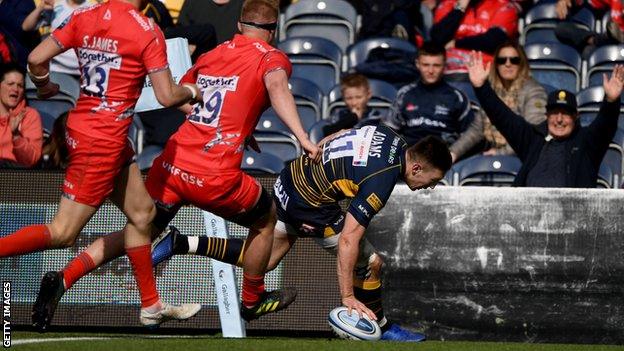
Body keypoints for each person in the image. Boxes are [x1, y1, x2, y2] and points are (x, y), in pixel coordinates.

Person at [30, 0, 320, 330]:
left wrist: (223, 123)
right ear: (273, 30)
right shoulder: (272, 57)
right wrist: (303, 138)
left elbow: (184, 98)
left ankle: (63, 278)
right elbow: (277, 87)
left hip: (173, 165)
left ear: (239, 26)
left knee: (137, 230)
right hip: (215, 174)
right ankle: (252, 300)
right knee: (266, 220)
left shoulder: (211, 56)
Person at [0, 0, 204, 331]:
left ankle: (151, 306)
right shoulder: (146, 30)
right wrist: (193, 90)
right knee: (63, 233)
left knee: (143, 215)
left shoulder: (84, 16)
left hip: (89, 127)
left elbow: (36, 58)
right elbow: (167, 97)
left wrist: (44, 85)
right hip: (103, 139)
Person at [152, 127, 452, 341]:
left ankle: (180, 241)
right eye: (432, 179)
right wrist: (347, 295)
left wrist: (324, 143)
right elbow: (349, 238)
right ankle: (383, 328)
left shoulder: (390, 135)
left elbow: (347, 131)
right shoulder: (382, 178)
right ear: (415, 168)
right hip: (310, 204)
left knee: (265, 260)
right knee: (371, 261)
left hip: (292, 177)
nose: (431, 186)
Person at [467, 50, 624, 187]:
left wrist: (611, 101)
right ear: (546, 116)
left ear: (576, 117)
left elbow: (605, 126)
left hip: (571, 217)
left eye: (566, 114)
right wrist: (481, 87)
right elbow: (503, 117)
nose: (559, 119)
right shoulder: (532, 139)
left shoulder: (587, 143)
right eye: (554, 113)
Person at [384, 42, 482, 162]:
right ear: (417, 64)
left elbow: (470, 136)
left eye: (436, 65)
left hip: (444, 161)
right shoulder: (404, 94)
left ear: (444, 66)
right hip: (408, 159)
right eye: (426, 65)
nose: (431, 70)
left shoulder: (457, 98)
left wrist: (452, 155)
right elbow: (388, 131)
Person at [482, 41, 547, 156]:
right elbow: (476, 129)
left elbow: (533, 133)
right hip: (492, 151)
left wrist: (500, 153)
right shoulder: (492, 91)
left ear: (522, 64)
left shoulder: (534, 91)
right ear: (496, 65)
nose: (508, 64)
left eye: (514, 60)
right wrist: (453, 153)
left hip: (522, 156)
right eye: (502, 60)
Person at [430, 0, 518, 76]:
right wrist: (459, 8)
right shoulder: (448, 4)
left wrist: (456, 43)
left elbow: (493, 41)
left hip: (485, 73)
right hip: (447, 73)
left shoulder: (503, 6)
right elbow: (437, 38)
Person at [0, 63, 42, 168]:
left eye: (20, 85)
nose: (15, 89)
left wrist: (16, 136)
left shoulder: (30, 115)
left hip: (16, 177)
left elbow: (31, 160)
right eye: (10, 84)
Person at [554, 0, 624, 58]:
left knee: (589, 51)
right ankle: (594, 39)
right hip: (608, 38)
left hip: (619, 38)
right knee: (562, 29)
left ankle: (598, 40)